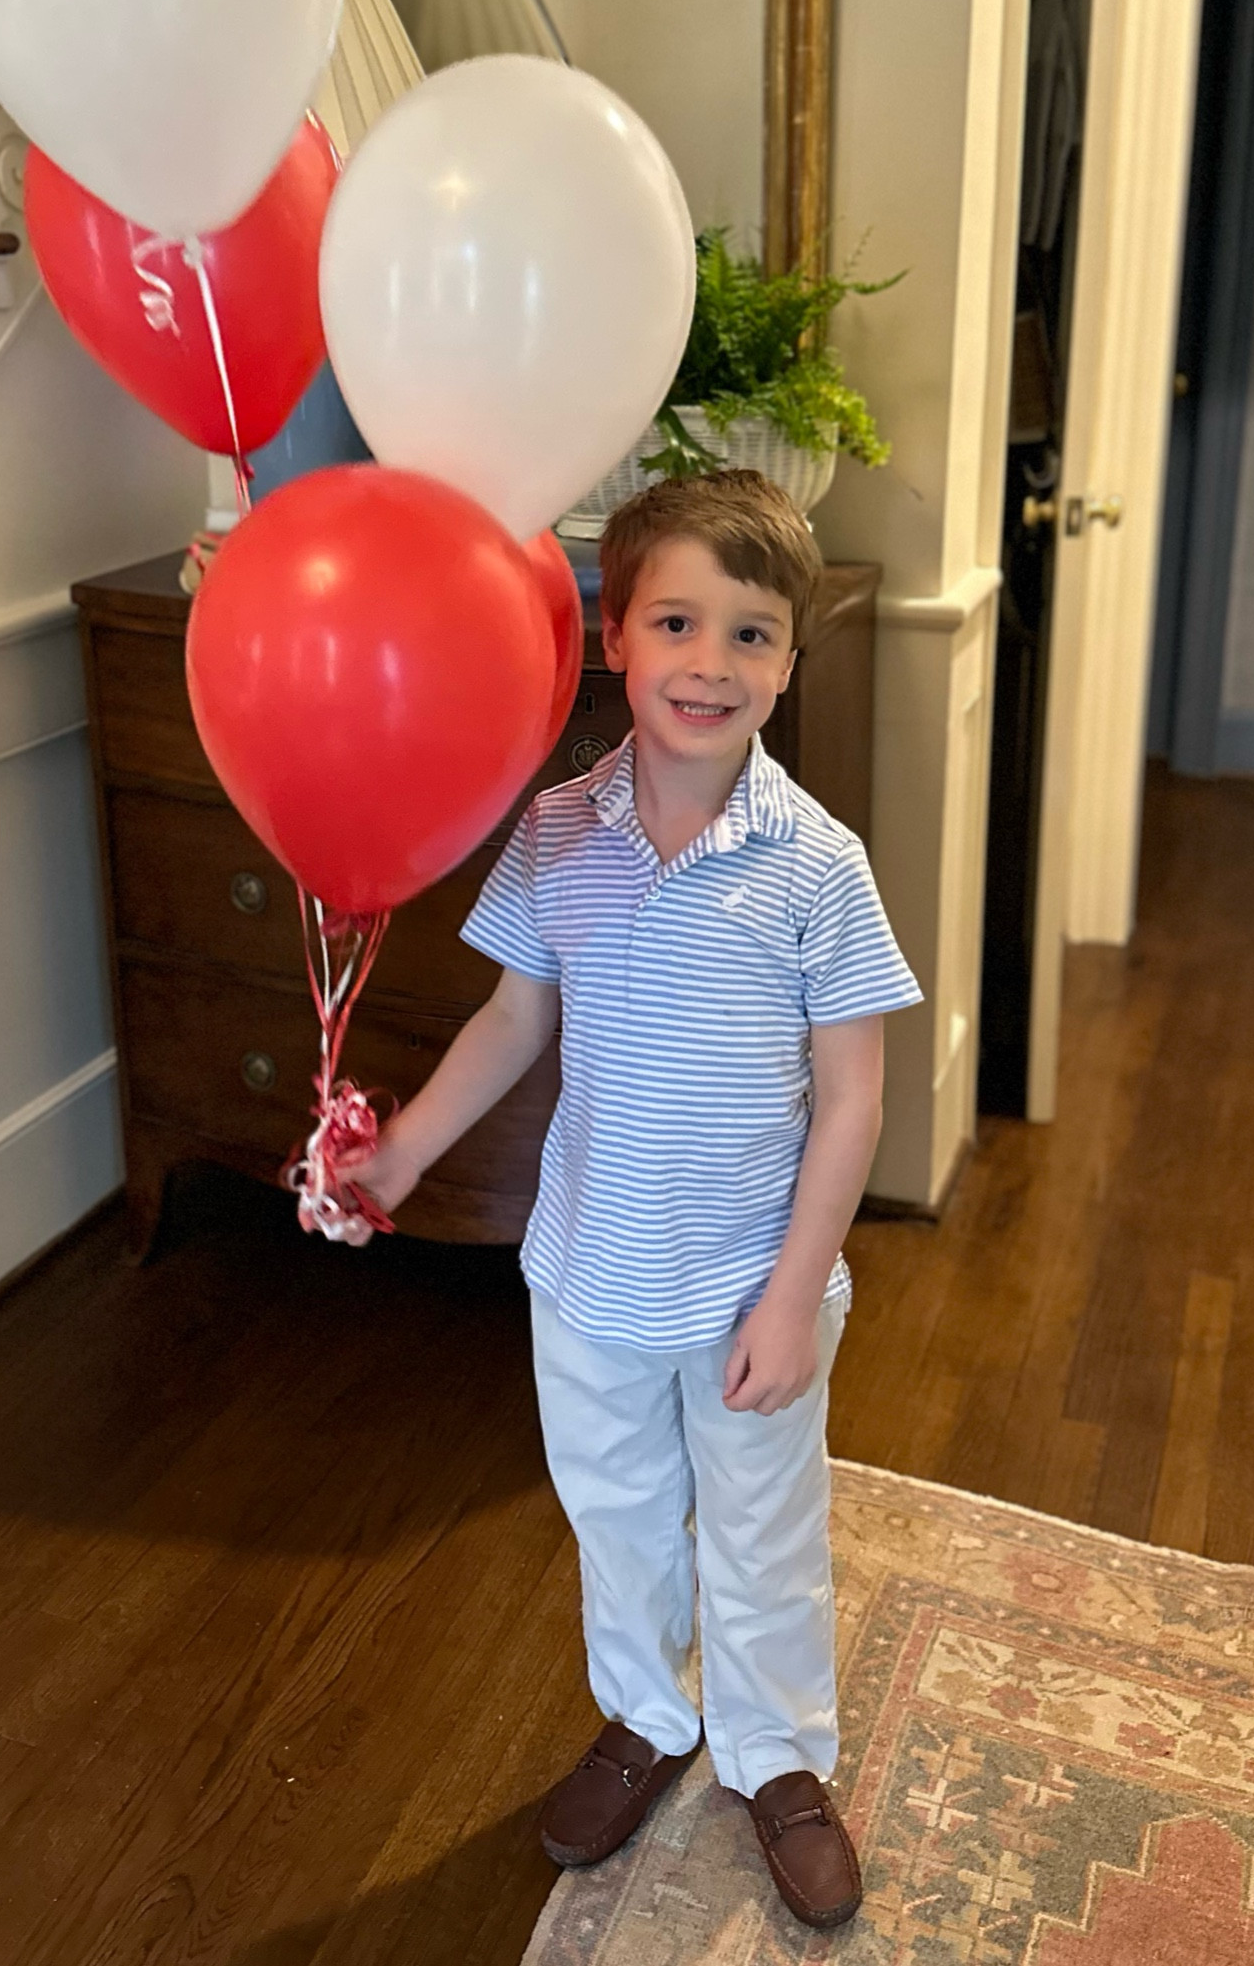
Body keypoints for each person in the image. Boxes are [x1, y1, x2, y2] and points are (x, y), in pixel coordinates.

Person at [337, 469, 921, 1929]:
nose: (710, 662)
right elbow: (511, 1022)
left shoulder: (818, 870)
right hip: (590, 1272)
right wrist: (401, 1149)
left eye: (750, 633)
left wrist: (794, 1292)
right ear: (616, 637)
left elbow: (851, 1093)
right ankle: (648, 1715)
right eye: (678, 621)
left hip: (747, 1289)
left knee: (760, 1528)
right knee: (617, 1513)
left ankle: (776, 1756)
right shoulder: (556, 831)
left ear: (789, 659)